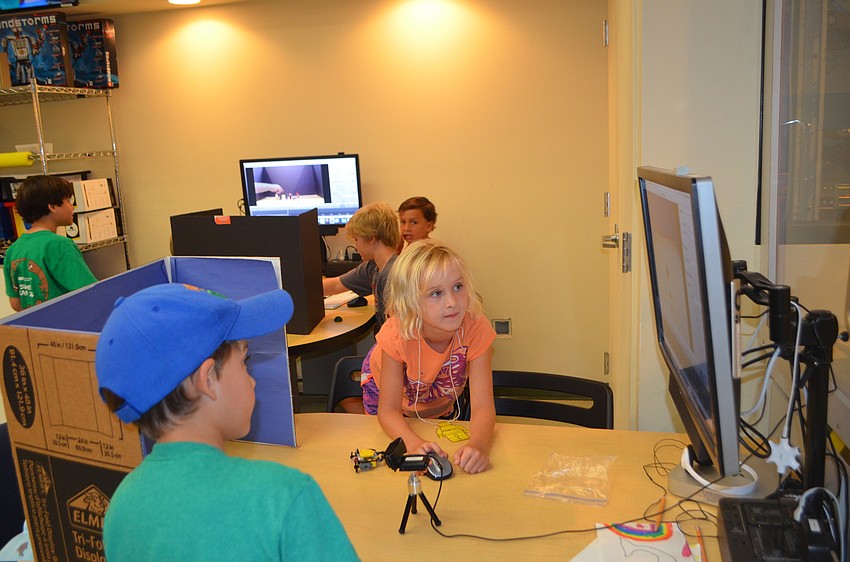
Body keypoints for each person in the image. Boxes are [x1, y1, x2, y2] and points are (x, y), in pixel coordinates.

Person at [95, 283, 359, 561]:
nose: (252, 379)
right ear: (208, 379)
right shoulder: (282, 496)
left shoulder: (122, 507)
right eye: (245, 361)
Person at [360, 240, 496, 474]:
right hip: (387, 396)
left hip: (433, 401)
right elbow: (389, 412)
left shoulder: (476, 328)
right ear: (410, 301)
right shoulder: (396, 335)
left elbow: (483, 407)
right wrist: (413, 444)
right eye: (436, 293)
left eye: (458, 287)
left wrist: (479, 445)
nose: (452, 302)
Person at [3, 175, 97, 312]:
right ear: (52, 206)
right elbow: (91, 293)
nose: (72, 207)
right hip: (66, 326)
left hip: (34, 328)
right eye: (68, 201)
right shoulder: (60, 245)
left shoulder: (13, 249)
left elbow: (16, 303)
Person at [322, 201, 400, 332]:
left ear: (371, 238)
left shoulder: (393, 275)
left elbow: (397, 333)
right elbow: (336, 285)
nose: (356, 246)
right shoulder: (372, 267)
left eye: (356, 240)